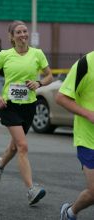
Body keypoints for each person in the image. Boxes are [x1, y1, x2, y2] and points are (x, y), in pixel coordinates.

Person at [0, 20, 53, 205]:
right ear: (12, 36)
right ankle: (31, 190)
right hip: (9, 105)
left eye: (25, 31)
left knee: (15, 147)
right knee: (23, 146)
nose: (23, 34)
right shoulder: (4, 55)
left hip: (29, 106)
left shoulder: (37, 54)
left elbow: (49, 75)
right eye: (19, 32)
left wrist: (39, 83)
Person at [56, 51, 94, 219]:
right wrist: (89, 114)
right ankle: (70, 211)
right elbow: (61, 97)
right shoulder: (85, 64)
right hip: (88, 138)